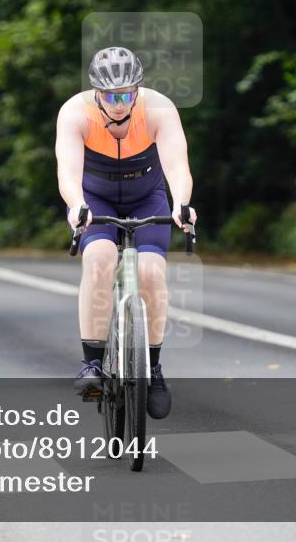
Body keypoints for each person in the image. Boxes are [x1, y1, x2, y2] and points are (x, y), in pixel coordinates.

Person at [55, 47, 196, 420]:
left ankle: (154, 367)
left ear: (138, 89)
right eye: (110, 96)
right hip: (95, 198)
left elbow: (177, 165)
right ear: (96, 92)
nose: (119, 105)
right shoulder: (75, 112)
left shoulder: (159, 109)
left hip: (147, 197)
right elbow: (67, 171)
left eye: (127, 95)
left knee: (151, 273)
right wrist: (76, 204)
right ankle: (92, 363)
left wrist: (182, 203)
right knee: (99, 260)